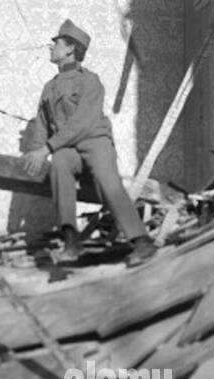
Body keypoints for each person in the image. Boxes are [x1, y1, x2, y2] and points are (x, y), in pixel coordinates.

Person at [22, 19, 156, 266]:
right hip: (67, 148)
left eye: (57, 44)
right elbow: (41, 124)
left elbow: (83, 122)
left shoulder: (90, 81)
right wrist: (34, 153)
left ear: (70, 49)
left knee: (108, 179)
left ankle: (141, 242)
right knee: (60, 162)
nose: (51, 48)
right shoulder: (49, 88)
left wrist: (46, 149)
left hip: (94, 140)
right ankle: (71, 240)